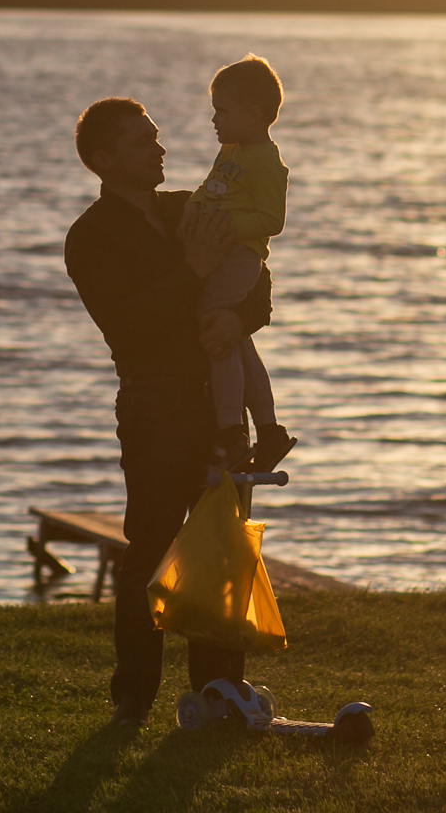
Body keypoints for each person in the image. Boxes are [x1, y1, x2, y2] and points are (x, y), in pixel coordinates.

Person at [63, 96, 273, 728]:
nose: (158, 148)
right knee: (150, 546)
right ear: (102, 160)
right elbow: (127, 327)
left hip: (220, 404)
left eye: (156, 138)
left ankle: (218, 691)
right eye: (139, 142)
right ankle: (133, 697)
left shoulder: (192, 206)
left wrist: (235, 315)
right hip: (154, 403)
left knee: (221, 549)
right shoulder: (90, 237)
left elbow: (254, 279)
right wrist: (192, 272)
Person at [189, 55, 298, 471]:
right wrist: (193, 209)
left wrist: (223, 224)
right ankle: (268, 430)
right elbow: (211, 189)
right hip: (222, 252)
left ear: (254, 115)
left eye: (223, 110)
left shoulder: (267, 162)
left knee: (216, 327)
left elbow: (272, 221)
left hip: (240, 257)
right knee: (237, 341)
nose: (215, 119)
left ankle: (229, 431)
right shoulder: (231, 151)